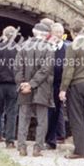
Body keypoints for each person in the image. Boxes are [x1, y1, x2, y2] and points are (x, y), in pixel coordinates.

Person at [59, 23, 84, 159]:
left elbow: (69, 69)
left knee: (76, 117)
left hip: (77, 84)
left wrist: (63, 88)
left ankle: (79, 151)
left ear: (72, 32)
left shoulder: (72, 47)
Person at [15, 22, 55, 156]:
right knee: (42, 120)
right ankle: (38, 148)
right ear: (46, 35)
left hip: (24, 88)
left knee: (23, 118)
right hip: (42, 88)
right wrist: (32, 84)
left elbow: (17, 68)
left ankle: (21, 147)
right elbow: (46, 69)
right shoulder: (49, 48)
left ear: (33, 31)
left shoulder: (22, 46)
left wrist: (23, 84)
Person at [0, 25, 20, 148]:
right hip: (13, 84)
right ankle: (10, 140)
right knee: (12, 112)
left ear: (3, 35)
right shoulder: (19, 49)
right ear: (14, 36)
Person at [45, 21, 68, 149]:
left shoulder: (66, 48)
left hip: (59, 85)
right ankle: (48, 138)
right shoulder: (46, 47)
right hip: (46, 84)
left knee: (56, 111)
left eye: (60, 32)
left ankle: (52, 139)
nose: (59, 34)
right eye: (56, 32)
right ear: (51, 33)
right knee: (47, 112)